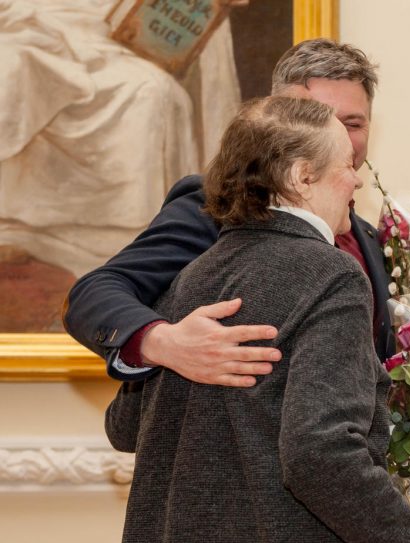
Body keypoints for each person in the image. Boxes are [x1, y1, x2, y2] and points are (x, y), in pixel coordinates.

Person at [106, 96, 410, 543]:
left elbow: (123, 426)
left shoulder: (191, 278)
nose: (358, 181)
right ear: (303, 176)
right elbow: (318, 451)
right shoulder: (332, 275)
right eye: (347, 165)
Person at [63, 38, 393, 385]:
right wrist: (164, 343)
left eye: (353, 124)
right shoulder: (221, 205)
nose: (336, 136)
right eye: (316, 119)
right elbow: (94, 293)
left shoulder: (367, 237)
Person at [0, 0, 244, 331]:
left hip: (106, 43)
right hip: (29, 29)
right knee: (10, 65)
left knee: (151, 91)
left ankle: (128, 246)